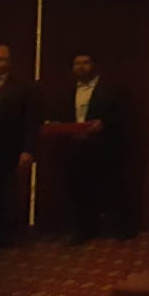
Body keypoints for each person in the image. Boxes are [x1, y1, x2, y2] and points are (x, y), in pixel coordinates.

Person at [57, 53, 135, 244]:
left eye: (85, 63)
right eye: (77, 63)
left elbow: (124, 116)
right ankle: (85, 229)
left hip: (104, 147)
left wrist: (104, 124)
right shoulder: (67, 91)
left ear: (94, 65)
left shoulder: (111, 89)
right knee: (80, 189)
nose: (81, 67)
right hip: (76, 146)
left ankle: (123, 228)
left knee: (112, 187)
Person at [0, 45, 40, 258]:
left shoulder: (23, 88)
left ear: (9, 62)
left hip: (4, 151)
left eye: (0, 59)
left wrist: (27, 150)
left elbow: (31, 122)